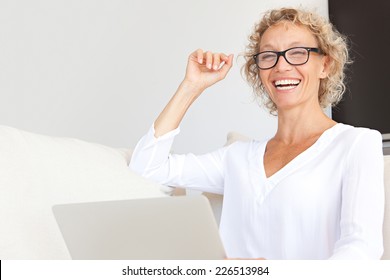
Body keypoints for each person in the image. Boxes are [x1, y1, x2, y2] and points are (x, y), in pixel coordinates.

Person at [130, 7, 384, 259]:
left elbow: (361, 248)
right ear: (259, 71)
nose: (281, 65)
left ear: (325, 65)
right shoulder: (237, 157)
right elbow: (146, 168)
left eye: (297, 53)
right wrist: (191, 87)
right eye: (268, 56)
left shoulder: (356, 144)